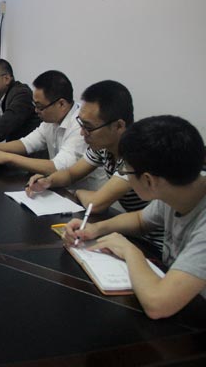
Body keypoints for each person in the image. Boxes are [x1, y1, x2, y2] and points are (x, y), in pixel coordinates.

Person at [63, 115, 206, 319]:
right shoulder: (177, 188)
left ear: (148, 180)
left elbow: (158, 305)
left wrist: (130, 252)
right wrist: (95, 229)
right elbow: (140, 220)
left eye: (125, 171)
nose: (125, 175)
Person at [25, 80, 162, 249]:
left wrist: (76, 191)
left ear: (119, 126)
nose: (82, 133)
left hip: (154, 244)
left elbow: (96, 204)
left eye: (88, 127)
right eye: (81, 124)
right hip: (134, 230)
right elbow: (71, 174)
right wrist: (48, 181)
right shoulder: (103, 147)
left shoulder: (135, 154)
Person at [0, 71, 106, 189]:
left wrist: (8, 157)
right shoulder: (50, 120)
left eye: (40, 106)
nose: (36, 111)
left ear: (61, 104)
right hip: (63, 189)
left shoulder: (82, 126)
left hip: (89, 199)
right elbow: (26, 143)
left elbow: (57, 167)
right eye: (35, 105)